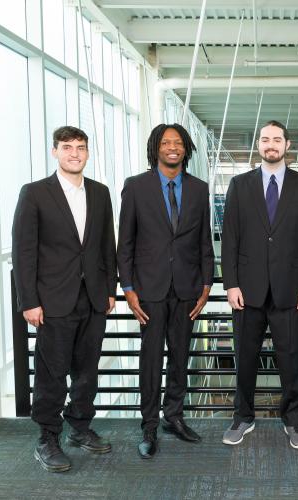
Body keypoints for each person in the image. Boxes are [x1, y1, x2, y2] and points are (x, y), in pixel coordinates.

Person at [12, 126, 117, 473]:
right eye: (67, 147)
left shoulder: (100, 194)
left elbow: (106, 247)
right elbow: (23, 252)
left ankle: (80, 427)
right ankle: (48, 438)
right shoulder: (35, 193)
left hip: (93, 299)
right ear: (54, 151)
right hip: (53, 300)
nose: (75, 153)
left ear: (88, 153)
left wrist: (110, 289)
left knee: (87, 371)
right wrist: (29, 300)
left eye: (81, 147)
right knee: (52, 374)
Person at [221, 120, 298, 449]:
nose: (270, 144)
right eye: (265, 139)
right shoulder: (239, 185)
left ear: (287, 145)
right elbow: (230, 238)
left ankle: (294, 422)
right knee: (245, 357)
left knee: (291, 359)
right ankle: (242, 417)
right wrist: (230, 283)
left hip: (291, 291)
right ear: (258, 145)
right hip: (246, 291)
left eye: (277, 139)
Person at [117, 123, 214, 459]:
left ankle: (174, 416)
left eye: (178, 143)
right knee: (151, 358)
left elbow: (204, 241)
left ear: (186, 149)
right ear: (155, 148)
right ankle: (149, 425)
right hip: (149, 290)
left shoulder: (200, 189)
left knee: (180, 356)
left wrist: (207, 284)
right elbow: (125, 242)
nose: (172, 147)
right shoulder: (135, 187)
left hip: (187, 288)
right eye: (166, 142)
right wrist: (128, 288)